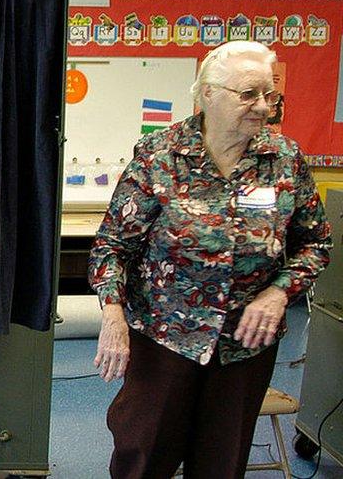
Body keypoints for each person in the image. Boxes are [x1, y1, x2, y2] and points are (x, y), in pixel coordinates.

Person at [88, 40, 332, 478]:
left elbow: (316, 243)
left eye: (270, 94)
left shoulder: (285, 161)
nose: (262, 106)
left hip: (245, 346)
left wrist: (278, 294)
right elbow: (112, 247)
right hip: (165, 339)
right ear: (206, 94)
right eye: (248, 94)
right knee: (142, 457)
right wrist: (112, 316)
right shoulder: (160, 156)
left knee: (222, 464)